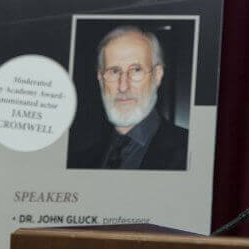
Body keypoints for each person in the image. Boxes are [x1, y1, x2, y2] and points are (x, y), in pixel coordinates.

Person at [67, 26, 188, 170]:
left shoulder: (191, 151)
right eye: (114, 71)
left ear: (157, 75)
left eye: (136, 70)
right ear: (100, 78)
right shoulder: (78, 161)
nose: (123, 86)